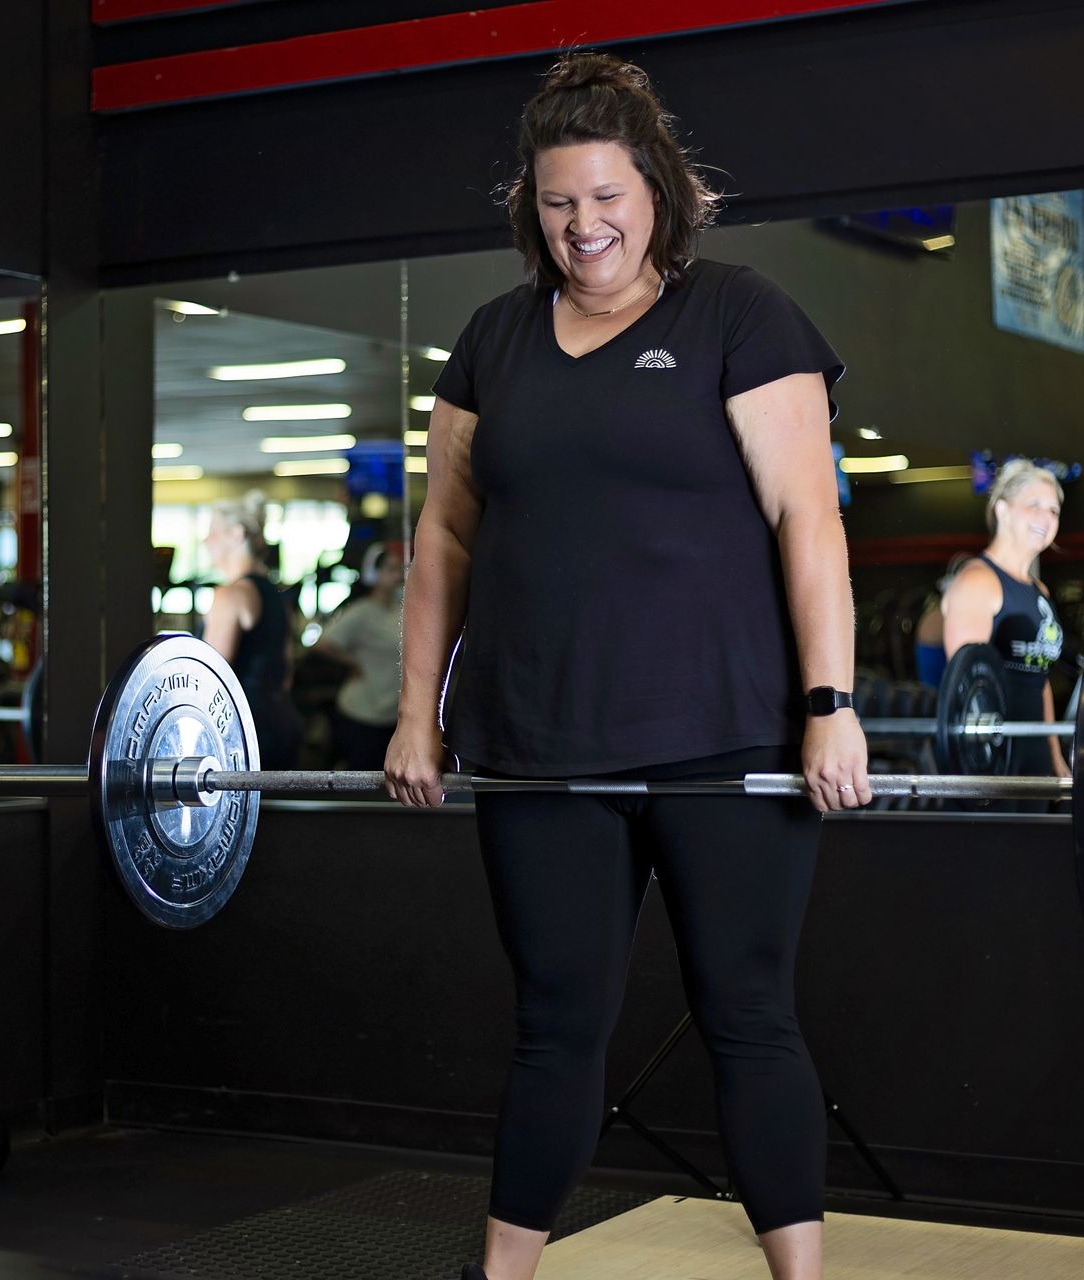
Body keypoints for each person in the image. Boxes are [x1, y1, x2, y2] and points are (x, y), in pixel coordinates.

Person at [385, 53, 868, 1280]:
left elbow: (808, 515)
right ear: (529, 207)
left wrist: (831, 705)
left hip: (724, 734)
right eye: (557, 202)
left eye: (606, 195)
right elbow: (442, 534)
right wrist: (416, 715)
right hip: (540, 739)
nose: (583, 225)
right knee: (555, 1030)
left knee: (748, 1017)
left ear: (655, 188)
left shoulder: (740, 315)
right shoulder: (492, 341)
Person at [939, 460, 1069, 778]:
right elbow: (967, 688)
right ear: (1002, 511)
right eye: (1034, 505)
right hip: (991, 758)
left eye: (1053, 510)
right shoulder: (979, 581)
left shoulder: (1039, 590)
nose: (1046, 517)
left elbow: (1039, 681)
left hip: (1033, 753)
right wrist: (984, 767)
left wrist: (1054, 756)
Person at [201, 492, 303, 770]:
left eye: (212, 533)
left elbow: (210, 677)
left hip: (245, 729)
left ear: (236, 535)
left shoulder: (229, 595)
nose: (205, 541)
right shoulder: (276, 594)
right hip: (280, 720)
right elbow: (286, 671)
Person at [313, 541, 405, 769]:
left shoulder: (400, 609)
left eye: (398, 569)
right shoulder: (361, 611)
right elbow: (323, 644)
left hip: (390, 712)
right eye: (391, 569)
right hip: (363, 711)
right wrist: (354, 662)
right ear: (374, 573)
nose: (397, 575)